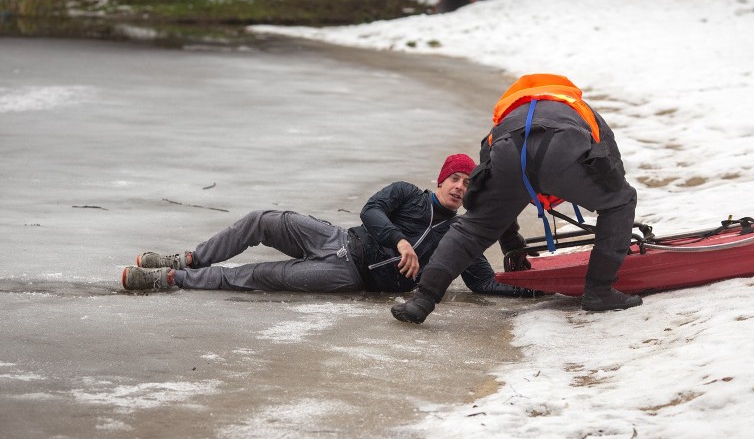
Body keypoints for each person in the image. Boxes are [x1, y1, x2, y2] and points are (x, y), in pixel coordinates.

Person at [392, 74, 643, 325]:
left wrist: (511, 243)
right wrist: (610, 199)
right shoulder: (577, 106)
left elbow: (488, 185)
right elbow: (612, 165)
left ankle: (422, 300)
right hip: (563, 148)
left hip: (508, 149)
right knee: (622, 201)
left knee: (473, 228)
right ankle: (599, 292)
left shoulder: (509, 114)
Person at [121, 154, 540, 300]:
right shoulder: (408, 193)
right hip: (338, 239)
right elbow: (370, 211)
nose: (460, 187)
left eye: (467, 185)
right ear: (441, 180)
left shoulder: (461, 234)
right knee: (263, 220)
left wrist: (543, 287)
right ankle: (190, 257)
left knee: (257, 276)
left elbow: (485, 283)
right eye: (455, 179)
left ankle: (171, 277)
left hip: (345, 275)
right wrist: (400, 242)